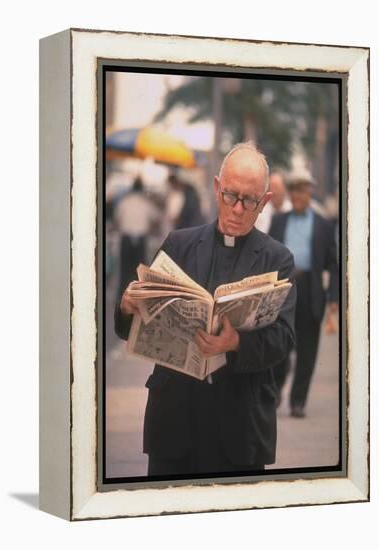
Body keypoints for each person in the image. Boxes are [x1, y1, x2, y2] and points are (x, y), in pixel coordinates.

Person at [115, 142, 296, 477]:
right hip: (174, 423)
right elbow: (132, 328)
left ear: (265, 202)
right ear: (216, 188)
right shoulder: (178, 244)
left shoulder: (277, 259)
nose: (238, 208)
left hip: (239, 429)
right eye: (230, 195)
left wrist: (236, 343)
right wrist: (127, 307)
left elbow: (283, 339)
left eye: (250, 200)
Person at [269, 170, 338, 418]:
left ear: (310, 193)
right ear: (290, 193)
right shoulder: (279, 221)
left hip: (310, 291)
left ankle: (298, 401)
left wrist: (333, 299)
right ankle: (275, 392)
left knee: (308, 352)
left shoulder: (324, 225)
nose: (298, 195)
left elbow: (333, 263)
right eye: (294, 190)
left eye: (303, 190)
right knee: (278, 345)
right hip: (283, 289)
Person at [114, 176, 158, 300]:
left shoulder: (125, 201)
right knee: (139, 272)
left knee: (124, 271)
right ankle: (139, 298)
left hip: (126, 239)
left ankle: (122, 297)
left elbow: (117, 219)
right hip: (141, 239)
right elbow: (155, 219)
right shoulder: (146, 202)